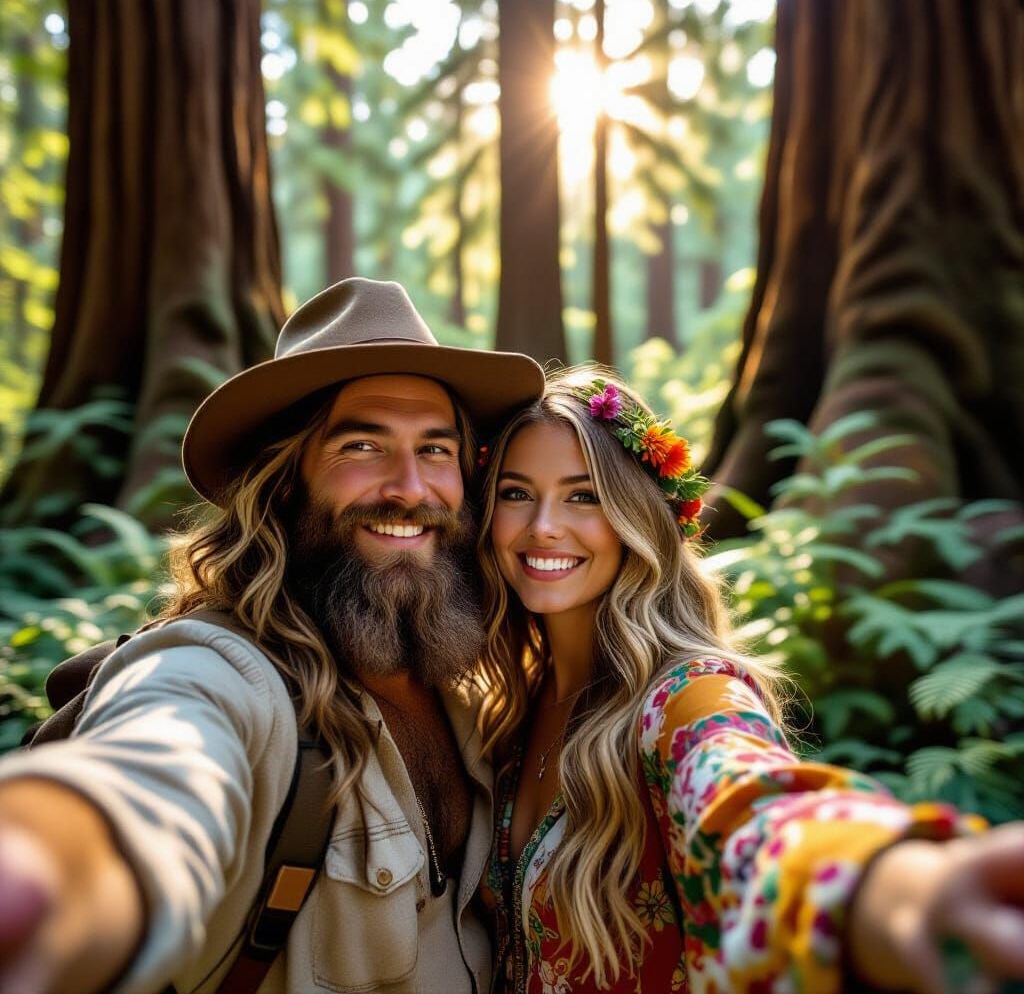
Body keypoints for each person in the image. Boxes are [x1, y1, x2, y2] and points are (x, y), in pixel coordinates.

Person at [0, 277, 544, 994]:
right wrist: (45, 867)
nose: (411, 487)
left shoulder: (479, 693)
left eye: (436, 450)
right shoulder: (219, 672)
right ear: (284, 479)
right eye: (362, 445)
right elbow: (155, 772)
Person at [475, 366, 1024, 994]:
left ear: (639, 516)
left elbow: (751, 801)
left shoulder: (688, 695)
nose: (543, 525)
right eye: (516, 493)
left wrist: (897, 891)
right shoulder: (504, 707)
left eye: (584, 495)